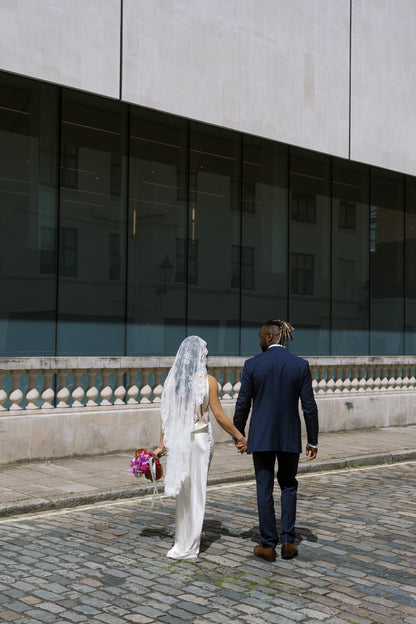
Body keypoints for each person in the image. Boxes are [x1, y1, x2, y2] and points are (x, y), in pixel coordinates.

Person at [152, 335, 247, 561]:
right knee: (197, 493)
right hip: (200, 442)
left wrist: (162, 444)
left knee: (185, 492)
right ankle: (189, 545)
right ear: (202, 356)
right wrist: (239, 436)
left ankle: (183, 538)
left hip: (179, 441)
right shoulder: (208, 381)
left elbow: (167, 415)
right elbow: (220, 416)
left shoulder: (172, 380)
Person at [233, 319, 318, 562]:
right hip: (290, 435)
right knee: (289, 484)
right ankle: (289, 542)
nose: (259, 340)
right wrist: (313, 440)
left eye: (261, 336)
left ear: (270, 337)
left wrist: (239, 435)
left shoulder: (252, 365)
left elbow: (243, 404)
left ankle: (268, 545)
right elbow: (309, 407)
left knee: (264, 487)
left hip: (262, 436)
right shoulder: (300, 365)